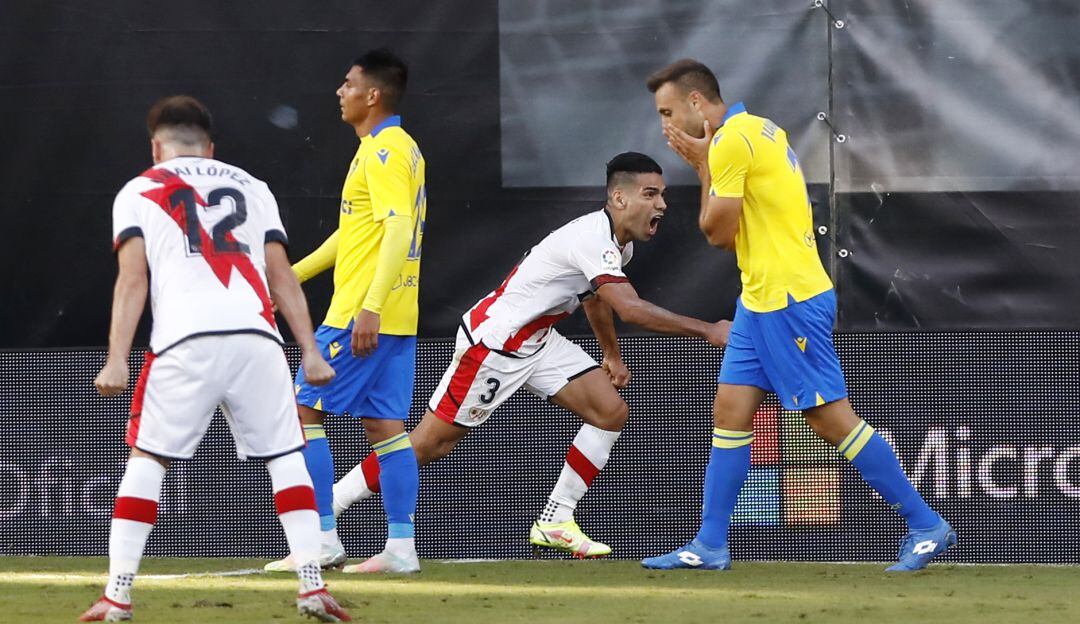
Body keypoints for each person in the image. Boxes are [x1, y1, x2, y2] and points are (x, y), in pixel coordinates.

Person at [329, 152, 730, 563]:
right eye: (650, 193)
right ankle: (330, 505)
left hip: (537, 338)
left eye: (662, 194)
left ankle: (556, 520)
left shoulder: (617, 246)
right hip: (496, 343)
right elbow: (629, 308)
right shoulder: (592, 239)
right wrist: (707, 328)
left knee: (610, 411)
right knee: (430, 445)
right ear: (619, 198)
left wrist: (611, 354)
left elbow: (595, 300)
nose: (662, 204)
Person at [640, 59, 956, 572]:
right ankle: (710, 544)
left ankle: (925, 524)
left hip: (787, 300)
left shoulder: (730, 142)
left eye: (669, 111)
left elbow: (716, 234)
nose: (666, 125)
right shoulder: (758, 127)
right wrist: (709, 163)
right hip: (759, 300)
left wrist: (703, 167)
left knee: (828, 419)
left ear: (697, 103)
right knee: (730, 410)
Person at [79, 96, 350, 622]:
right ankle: (312, 586)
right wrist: (311, 351)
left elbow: (132, 279)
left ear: (156, 146)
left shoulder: (138, 188)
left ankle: (117, 595)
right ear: (212, 147)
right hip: (258, 337)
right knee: (285, 456)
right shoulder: (253, 186)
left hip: (185, 340)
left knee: (149, 458)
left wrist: (116, 359)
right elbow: (282, 274)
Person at [264, 48, 426, 574]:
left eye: (349, 83)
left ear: (372, 95)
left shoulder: (383, 150)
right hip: (398, 314)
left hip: (363, 312)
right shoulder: (395, 147)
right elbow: (355, 234)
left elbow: (399, 227)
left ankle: (321, 539)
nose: (340, 91)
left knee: (301, 413)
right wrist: (291, 276)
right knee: (385, 426)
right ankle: (401, 549)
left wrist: (369, 307)